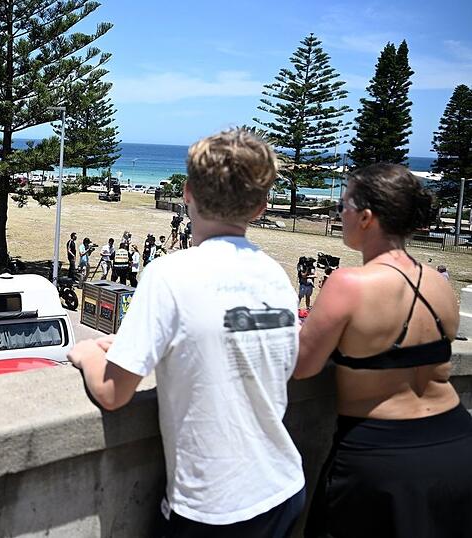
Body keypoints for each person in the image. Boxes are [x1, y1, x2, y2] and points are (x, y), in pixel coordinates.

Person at [69, 129, 305, 537]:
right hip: (283, 487)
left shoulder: (170, 273)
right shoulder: (275, 276)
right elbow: (239, 344)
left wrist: (89, 355)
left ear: (187, 193)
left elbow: (113, 393)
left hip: (212, 506)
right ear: (262, 206)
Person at [294, 163, 472, 538]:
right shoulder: (441, 285)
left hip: (383, 455)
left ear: (366, 217)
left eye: (343, 206)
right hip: (456, 441)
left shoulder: (348, 284)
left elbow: (302, 366)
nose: (338, 214)